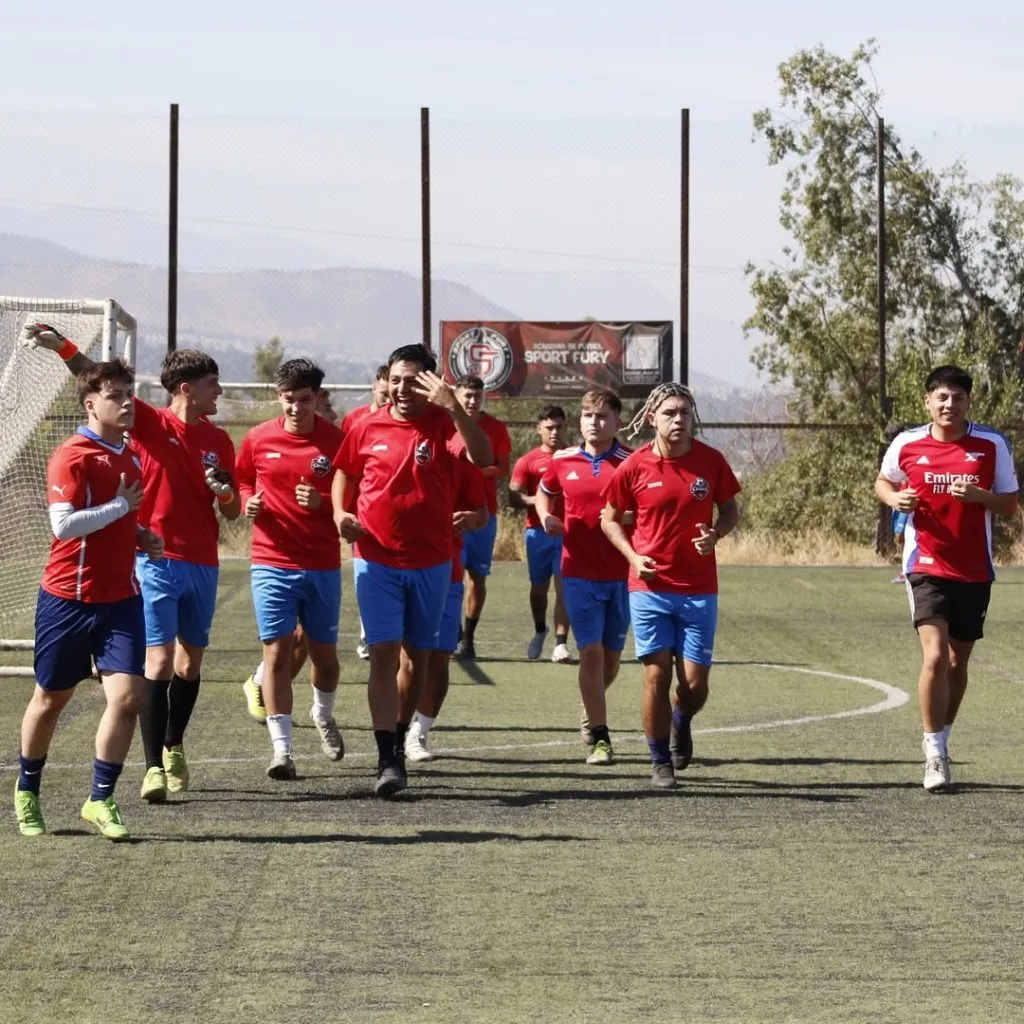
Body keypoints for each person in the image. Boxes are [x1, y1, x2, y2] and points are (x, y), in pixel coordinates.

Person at [20, 326, 241, 804]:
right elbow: (94, 381)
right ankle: (154, 767)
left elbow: (232, 511)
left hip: (203, 560)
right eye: (213, 384)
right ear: (187, 389)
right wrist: (63, 347)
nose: (220, 392)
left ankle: (174, 741)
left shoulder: (221, 441)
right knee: (156, 663)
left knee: (189, 662)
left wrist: (225, 493)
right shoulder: (149, 423)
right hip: (153, 562)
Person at [332, 345, 492, 797]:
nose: (402, 389)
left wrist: (455, 407)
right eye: (396, 379)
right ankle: (387, 757)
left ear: (431, 381)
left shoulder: (446, 426)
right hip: (375, 558)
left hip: (432, 562)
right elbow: (344, 470)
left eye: (412, 380)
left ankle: (400, 740)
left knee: (416, 659)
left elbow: (481, 457)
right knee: (384, 654)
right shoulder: (366, 425)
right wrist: (339, 514)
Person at [14, 359, 165, 840]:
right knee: (51, 698)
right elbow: (64, 525)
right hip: (67, 600)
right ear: (91, 403)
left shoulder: (131, 456)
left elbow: (113, 522)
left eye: (129, 393)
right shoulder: (72, 455)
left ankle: (100, 799)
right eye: (116, 394)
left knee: (128, 697)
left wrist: (139, 535)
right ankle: (27, 789)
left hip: (120, 600)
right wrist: (122, 508)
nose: (126, 403)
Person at [875, 365, 1018, 793]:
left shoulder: (991, 445)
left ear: (968, 402)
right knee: (935, 656)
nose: (948, 405)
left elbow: (1010, 504)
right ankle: (933, 753)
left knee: (958, 661)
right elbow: (884, 482)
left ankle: (944, 735)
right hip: (925, 565)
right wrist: (895, 497)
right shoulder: (907, 444)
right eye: (941, 398)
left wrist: (981, 498)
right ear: (927, 402)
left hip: (974, 570)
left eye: (957, 398)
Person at [602, 382, 741, 789]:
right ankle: (659, 760)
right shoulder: (634, 466)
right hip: (650, 588)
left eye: (684, 412)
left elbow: (731, 508)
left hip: (699, 589)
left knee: (694, 686)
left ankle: (681, 720)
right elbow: (609, 517)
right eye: (669, 413)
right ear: (651, 419)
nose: (678, 420)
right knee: (655, 677)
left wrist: (716, 534)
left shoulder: (711, 462)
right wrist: (632, 557)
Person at [236, 359, 346, 779]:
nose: (296, 408)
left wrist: (323, 503)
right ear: (278, 396)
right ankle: (282, 751)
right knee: (277, 655)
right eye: (288, 399)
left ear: (317, 397)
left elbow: (350, 498)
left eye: (304, 399)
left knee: (325, 658)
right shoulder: (258, 438)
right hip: (271, 561)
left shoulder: (338, 442)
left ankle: (323, 714)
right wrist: (248, 501)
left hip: (320, 563)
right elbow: (244, 479)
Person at [536, 389, 632, 766]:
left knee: (611, 661)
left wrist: (624, 520)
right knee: (589, 653)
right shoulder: (563, 460)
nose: (596, 422)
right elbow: (544, 493)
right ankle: (601, 738)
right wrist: (546, 517)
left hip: (622, 574)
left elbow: (646, 509)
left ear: (618, 422)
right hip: (576, 571)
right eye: (589, 415)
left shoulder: (632, 462)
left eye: (604, 416)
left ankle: (588, 709)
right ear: (580, 421)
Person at [403, 459, 489, 762]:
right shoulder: (385, 444)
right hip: (395, 571)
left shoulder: (458, 463)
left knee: (438, 660)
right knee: (407, 661)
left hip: (445, 574)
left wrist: (472, 517)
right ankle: (395, 734)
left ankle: (419, 732)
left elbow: (482, 512)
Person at [449, 376, 511, 661]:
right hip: (448, 515)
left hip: (483, 515)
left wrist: (474, 467)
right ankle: (453, 632)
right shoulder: (445, 425)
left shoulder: (495, 428)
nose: (472, 401)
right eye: (467, 396)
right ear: (456, 396)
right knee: (450, 577)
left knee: (477, 577)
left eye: (477, 396)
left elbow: (501, 468)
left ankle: (469, 639)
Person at [509, 405, 572, 662]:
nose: (554, 432)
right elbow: (513, 496)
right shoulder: (528, 461)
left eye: (559, 427)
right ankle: (539, 630)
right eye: (549, 427)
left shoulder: (575, 456)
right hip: (537, 533)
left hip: (568, 533)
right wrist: (538, 500)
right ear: (539, 429)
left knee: (563, 587)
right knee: (538, 589)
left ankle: (560, 644)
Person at [340, 363, 390, 660]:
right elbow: (343, 469)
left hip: (384, 512)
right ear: (374, 387)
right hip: (359, 511)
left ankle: (375, 634)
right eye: (383, 393)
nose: (387, 400)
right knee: (366, 571)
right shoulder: (354, 420)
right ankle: (368, 634)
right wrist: (342, 510)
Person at [891, 509, 909, 584]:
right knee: (897, 535)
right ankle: (904, 571)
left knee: (900, 535)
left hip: (906, 507)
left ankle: (906, 572)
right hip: (896, 507)